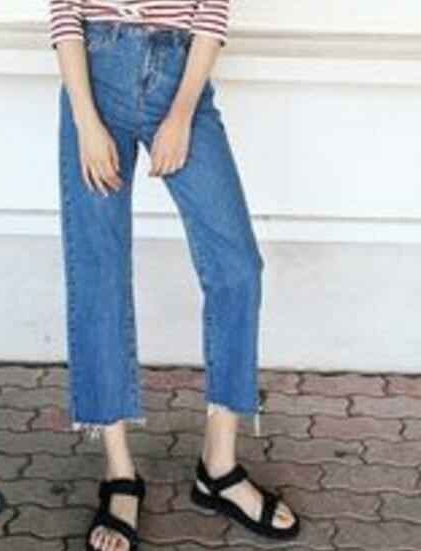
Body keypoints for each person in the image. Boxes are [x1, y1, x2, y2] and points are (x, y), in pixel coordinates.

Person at [48, 1, 301, 549]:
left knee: (237, 268)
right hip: (96, 72)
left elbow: (212, 9)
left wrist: (182, 112)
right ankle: (119, 474)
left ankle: (219, 467)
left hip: (179, 72)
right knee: (97, 274)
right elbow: (65, 8)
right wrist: (86, 120)